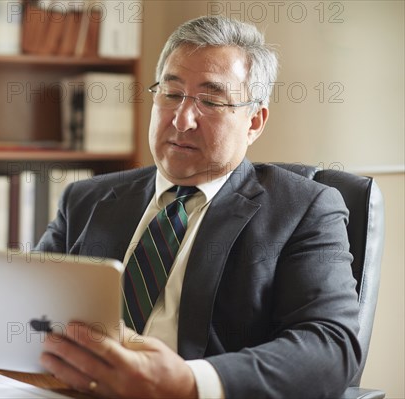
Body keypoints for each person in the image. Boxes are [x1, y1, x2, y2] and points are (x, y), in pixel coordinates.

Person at [36, 15, 361, 399]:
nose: (182, 119)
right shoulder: (86, 199)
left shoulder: (305, 209)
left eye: (210, 101)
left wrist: (189, 382)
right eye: (171, 94)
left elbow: (331, 347)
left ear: (254, 121)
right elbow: (28, 307)